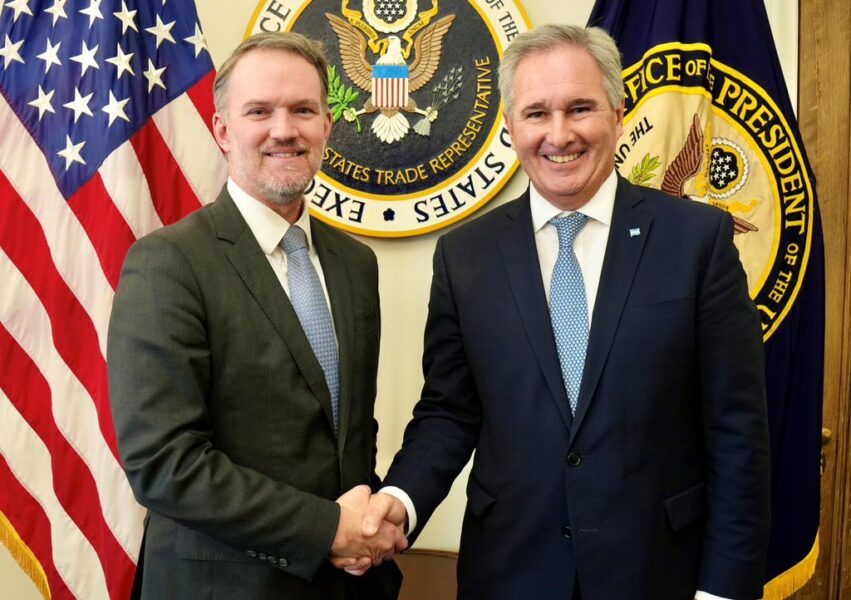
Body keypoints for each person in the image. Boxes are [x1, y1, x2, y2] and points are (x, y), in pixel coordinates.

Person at [363, 24, 770, 600]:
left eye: (580, 108)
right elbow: (449, 411)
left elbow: (738, 430)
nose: (559, 134)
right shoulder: (465, 255)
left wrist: (723, 590)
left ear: (618, 115)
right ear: (511, 127)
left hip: (657, 571)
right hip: (509, 572)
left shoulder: (697, 241)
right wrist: (399, 501)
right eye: (536, 113)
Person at [107, 32, 404, 600]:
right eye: (259, 111)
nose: (284, 129)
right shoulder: (168, 262)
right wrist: (326, 530)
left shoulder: (354, 263)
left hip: (352, 585)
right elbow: (164, 463)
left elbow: (347, 438)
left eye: (303, 110)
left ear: (327, 127)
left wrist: (374, 517)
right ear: (223, 130)